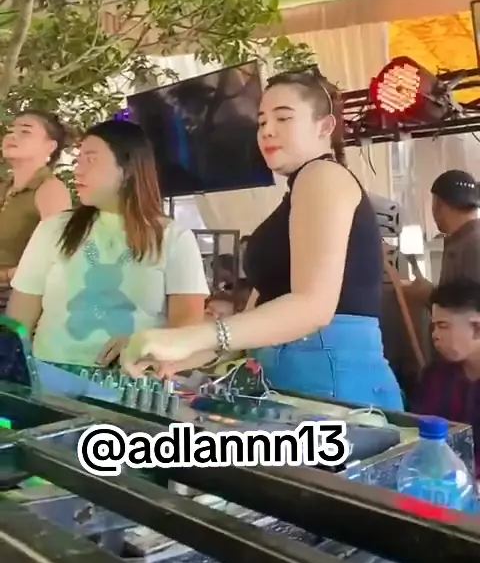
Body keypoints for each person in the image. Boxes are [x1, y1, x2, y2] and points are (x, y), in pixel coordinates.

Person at [121, 68, 403, 410]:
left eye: (283, 118)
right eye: (261, 121)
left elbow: (313, 306)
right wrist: (181, 355)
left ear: (325, 126)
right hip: (292, 379)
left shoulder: (323, 175)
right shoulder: (298, 194)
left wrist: (189, 338)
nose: (267, 130)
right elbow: (261, 311)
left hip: (332, 383)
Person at [6, 119, 208, 367]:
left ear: (128, 168)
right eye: (78, 160)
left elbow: (188, 326)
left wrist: (146, 345)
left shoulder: (172, 237)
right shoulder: (55, 229)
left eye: (91, 160)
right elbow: (19, 317)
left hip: (130, 377)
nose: (78, 170)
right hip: (49, 376)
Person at [0, 111, 71, 303]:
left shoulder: (50, 189)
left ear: (50, 146)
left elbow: (56, 256)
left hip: (15, 300)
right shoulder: (5, 188)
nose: (12, 136)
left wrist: (7, 275)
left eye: (25, 131)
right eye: (10, 130)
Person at [411, 280, 480, 477]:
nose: (435, 335)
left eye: (443, 326)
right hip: (438, 479)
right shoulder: (435, 375)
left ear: (477, 328)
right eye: (434, 327)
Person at [410, 170, 480, 302]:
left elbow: (468, 306)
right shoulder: (461, 240)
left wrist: (429, 294)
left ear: (440, 205)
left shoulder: (473, 246)